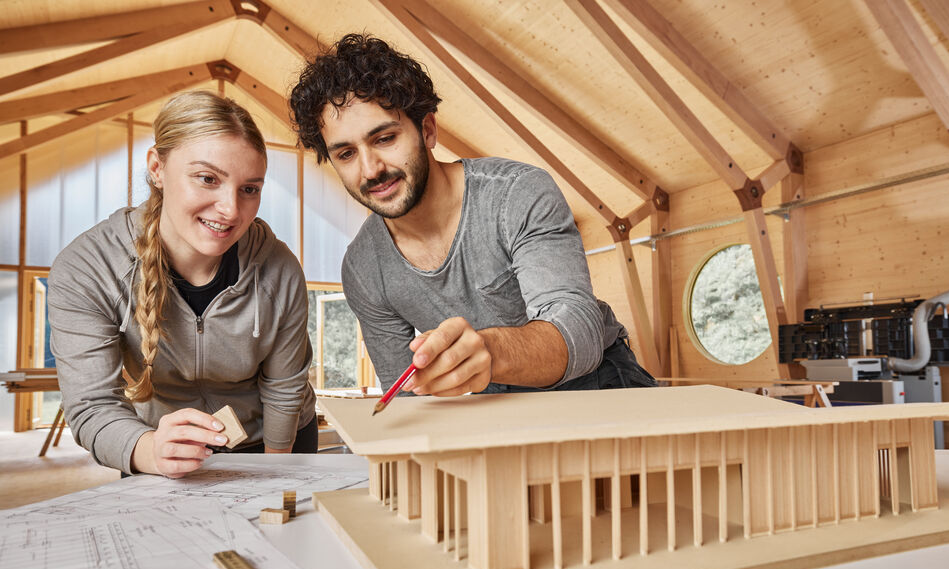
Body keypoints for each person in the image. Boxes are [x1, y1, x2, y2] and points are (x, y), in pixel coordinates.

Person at [289, 33, 656, 398]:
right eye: (346, 154)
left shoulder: (516, 193)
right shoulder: (363, 268)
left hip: (598, 382)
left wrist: (490, 351)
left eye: (384, 138)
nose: (370, 170)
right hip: (493, 400)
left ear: (428, 130)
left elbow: (578, 328)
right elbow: (403, 396)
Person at [48, 90, 316, 478]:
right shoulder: (87, 268)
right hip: (158, 446)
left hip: (272, 442)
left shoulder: (279, 267)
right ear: (157, 167)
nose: (231, 210)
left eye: (249, 189)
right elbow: (92, 405)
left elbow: (284, 386)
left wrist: (273, 478)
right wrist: (148, 451)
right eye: (207, 179)